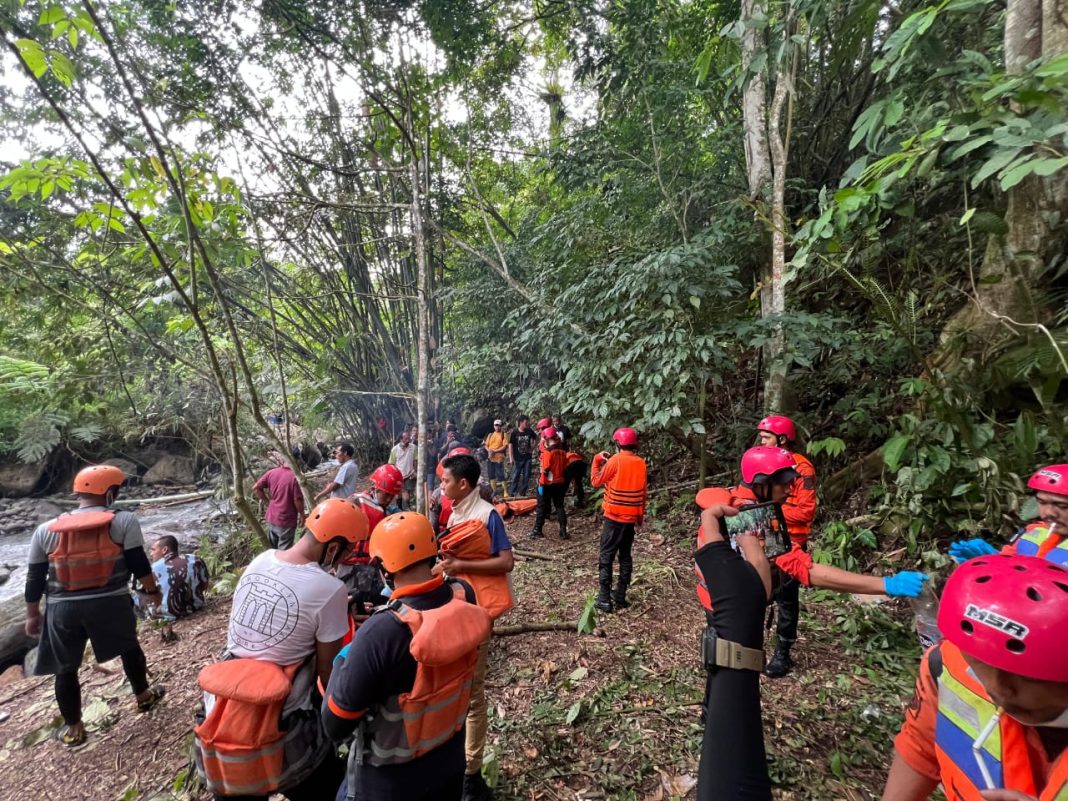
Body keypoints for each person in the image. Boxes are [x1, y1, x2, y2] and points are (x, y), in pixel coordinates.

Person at [195, 498, 367, 801]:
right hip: (282, 722)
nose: (348, 557)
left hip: (221, 710)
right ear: (332, 547)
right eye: (349, 549)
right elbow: (327, 675)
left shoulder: (261, 559)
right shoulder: (331, 589)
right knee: (329, 787)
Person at [322, 512, 492, 801]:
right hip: (449, 761)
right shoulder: (464, 594)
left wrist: (346, 656)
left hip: (388, 782)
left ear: (383, 570)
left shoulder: (382, 632)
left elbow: (335, 725)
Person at [881, 553, 1068, 801]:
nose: (998, 688)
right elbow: (920, 745)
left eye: (1029, 677)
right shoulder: (947, 667)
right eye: (981, 662)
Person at [24, 465, 166, 747]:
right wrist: (151, 591)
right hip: (110, 603)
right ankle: (142, 697)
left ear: (78, 494)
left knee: (65, 668)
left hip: (63, 609)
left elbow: (35, 577)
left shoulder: (45, 530)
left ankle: (74, 728)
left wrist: (32, 615)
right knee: (129, 648)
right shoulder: (123, 521)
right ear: (111, 493)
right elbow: (139, 563)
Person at [435, 452, 515, 801]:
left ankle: (471, 772)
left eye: (445, 481)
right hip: (458, 608)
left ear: (463, 484)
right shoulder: (455, 512)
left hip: (479, 611)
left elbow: (505, 561)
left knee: (474, 692)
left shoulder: (486, 515)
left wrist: (460, 564)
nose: (441, 486)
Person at [694, 498, 774, 801]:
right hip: (729, 610)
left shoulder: (735, 516)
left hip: (730, 609)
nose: (788, 489)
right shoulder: (746, 517)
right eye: (782, 483)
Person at [755, 415, 817, 678]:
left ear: (782, 439)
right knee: (761, 588)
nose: (761, 441)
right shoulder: (764, 463)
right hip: (767, 534)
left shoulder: (803, 470)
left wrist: (770, 512)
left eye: (766, 437)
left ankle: (783, 652)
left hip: (792, 539)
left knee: (787, 597)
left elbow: (805, 511)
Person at [949, 463, 1067, 565]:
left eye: (1062, 506)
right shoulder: (1033, 531)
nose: (1049, 512)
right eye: (1042, 502)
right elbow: (1010, 564)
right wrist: (993, 560)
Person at [590, 427, 648, 612]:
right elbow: (643, 493)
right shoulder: (640, 463)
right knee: (625, 556)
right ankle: (621, 594)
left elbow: (596, 481)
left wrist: (597, 460)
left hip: (614, 519)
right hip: (630, 519)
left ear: (617, 443)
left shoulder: (615, 461)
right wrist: (640, 516)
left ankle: (605, 597)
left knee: (606, 556)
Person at [142, 534, 209, 622]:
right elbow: (204, 585)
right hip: (196, 607)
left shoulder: (152, 569)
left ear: (164, 550)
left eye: (153, 550)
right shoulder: (195, 559)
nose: (151, 554)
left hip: (167, 616)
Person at [255, 451, 305, 550]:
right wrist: (302, 515)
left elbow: (256, 488)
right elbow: (297, 500)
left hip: (271, 517)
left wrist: (267, 502)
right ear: (297, 461)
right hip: (286, 520)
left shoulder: (272, 472)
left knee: (272, 550)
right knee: (283, 553)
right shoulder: (295, 477)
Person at [531, 427, 569, 541]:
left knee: (541, 506)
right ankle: (563, 531)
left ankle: (537, 530)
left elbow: (546, 470)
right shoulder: (563, 452)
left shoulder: (548, 452)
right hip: (560, 482)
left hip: (547, 484)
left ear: (547, 439)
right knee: (559, 506)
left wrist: (541, 485)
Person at [508, 416, 539, 497]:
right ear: (521, 422)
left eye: (528, 422)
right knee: (515, 476)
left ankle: (522, 493)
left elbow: (536, 438)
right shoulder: (514, 433)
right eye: (526, 422)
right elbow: (510, 445)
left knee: (527, 476)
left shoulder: (529, 431)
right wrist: (511, 458)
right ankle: (512, 493)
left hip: (527, 458)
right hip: (517, 459)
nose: (528, 424)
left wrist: (532, 448)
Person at [388, 430, 417, 509]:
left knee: (406, 494)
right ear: (401, 439)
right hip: (398, 475)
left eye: (408, 438)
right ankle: (401, 509)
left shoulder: (413, 447)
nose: (408, 440)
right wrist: (393, 475)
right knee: (399, 494)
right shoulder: (395, 449)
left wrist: (415, 471)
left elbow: (415, 460)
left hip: (410, 474)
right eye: (405, 439)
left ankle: (406, 509)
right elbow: (391, 464)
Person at [483, 419, 510, 498]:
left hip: (499, 458)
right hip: (490, 457)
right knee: (491, 475)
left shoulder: (503, 435)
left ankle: (505, 491)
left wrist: (495, 451)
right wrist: (490, 451)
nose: (497, 427)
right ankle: (494, 491)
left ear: (501, 426)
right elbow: (486, 445)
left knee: (500, 474)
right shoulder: (490, 435)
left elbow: (505, 446)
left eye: (499, 425)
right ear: (494, 426)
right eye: (496, 425)